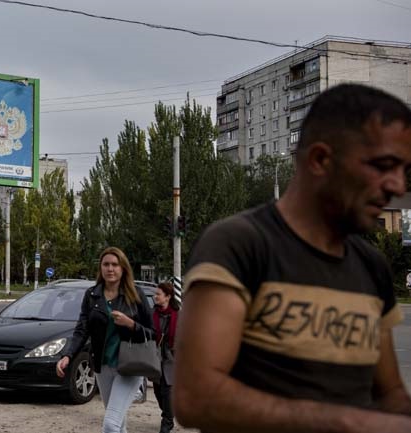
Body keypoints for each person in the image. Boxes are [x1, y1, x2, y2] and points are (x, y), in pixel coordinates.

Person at [175, 83, 411, 433]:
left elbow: (390, 395)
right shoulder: (239, 245)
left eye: (404, 170)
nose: (397, 186)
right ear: (320, 160)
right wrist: (347, 421)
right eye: (383, 166)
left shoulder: (371, 265)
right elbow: (195, 398)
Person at [56, 247, 154, 433]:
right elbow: (82, 330)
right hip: (103, 366)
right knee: (118, 424)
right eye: (106, 264)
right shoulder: (92, 295)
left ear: (123, 268)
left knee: (110, 425)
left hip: (130, 366)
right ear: (100, 268)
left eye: (115, 265)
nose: (110, 269)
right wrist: (67, 355)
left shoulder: (136, 294)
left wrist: (131, 324)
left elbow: (152, 332)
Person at [151, 282, 179, 433]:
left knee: (167, 390)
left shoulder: (177, 315)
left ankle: (167, 421)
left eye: (158, 294)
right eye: (155, 294)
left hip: (171, 358)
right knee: (157, 391)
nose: (155, 296)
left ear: (167, 297)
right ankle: (169, 412)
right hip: (155, 358)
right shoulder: (152, 313)